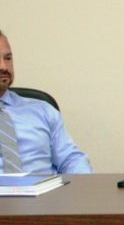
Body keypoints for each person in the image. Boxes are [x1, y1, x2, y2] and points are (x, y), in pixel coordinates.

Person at [0, 29, 92, 174]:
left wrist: (84, 190)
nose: (3, 67)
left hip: (45, 194)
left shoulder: (43, 110)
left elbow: (71, 159)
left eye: (8, 58)